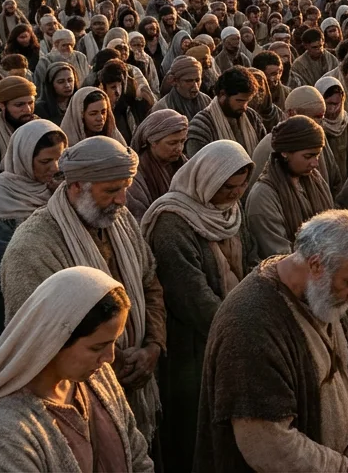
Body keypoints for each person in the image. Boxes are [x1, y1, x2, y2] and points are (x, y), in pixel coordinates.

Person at [0, 136, 167, 442]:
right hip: (75, 402)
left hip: (138, 380)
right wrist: (111, 364)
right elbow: (38, 339)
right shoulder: (32, 246)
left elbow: (149, 283)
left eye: (125, 189)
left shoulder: (122, 222)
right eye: (111, 191)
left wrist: (153, 345)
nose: (122, 200)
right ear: (76, 186)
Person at [195, 210, 348, 472]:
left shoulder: (330, 294)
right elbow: (267, 442)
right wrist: (342, 468)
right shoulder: (250, 325)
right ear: (316, 265)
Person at [0, 267, 152, 473]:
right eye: (97, 347)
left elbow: (137, 458)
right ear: (56, 339)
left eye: (113, 342)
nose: (109, 358)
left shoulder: (98, 380)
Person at [141, 140, 253, 473]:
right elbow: (191, 296)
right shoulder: (173, 222)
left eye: (240, 186)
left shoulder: (230, 211)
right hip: (191, 346)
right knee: (193, 428)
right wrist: (241, 328)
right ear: (207, 181)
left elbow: (250, 260)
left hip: (232, 330)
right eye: (227, 187)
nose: (235, 194)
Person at [0, 119, 65, 347]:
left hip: (58, 302)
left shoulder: (56, 189)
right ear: (23, 157)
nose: (54, 168)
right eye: (45, 161)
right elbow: (2, 266)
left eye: (59, 159)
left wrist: (60, 200)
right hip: (14, 305)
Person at [245, 116, 335, 261]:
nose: (315, 163)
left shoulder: (315, 179)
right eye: (308, 156)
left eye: (317, 155)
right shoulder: (263, 196)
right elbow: (279, 255)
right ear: (285, 153)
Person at [186, 65, 265, 158]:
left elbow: (263, 153)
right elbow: (199, 163)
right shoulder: (201, 126)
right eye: (239, 101)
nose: (244, 107)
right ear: (222, 94)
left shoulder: (252, 117)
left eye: (247, 101)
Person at [315, 76, 348, 185]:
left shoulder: (345, 121)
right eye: (329, 103)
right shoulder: (316, 125)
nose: (333, 109)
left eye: (337, 104)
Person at [150, 55, 210, 120]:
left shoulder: (207, 102)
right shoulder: (162, 108)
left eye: (197, 80)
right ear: (175, 81)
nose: (195, 87)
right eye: (189, 81)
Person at [60, 85, 125, 146]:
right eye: (93, 114)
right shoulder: (65, 146)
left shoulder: (115, 141)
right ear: (81, 115)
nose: (100, 118)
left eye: (103, 112)